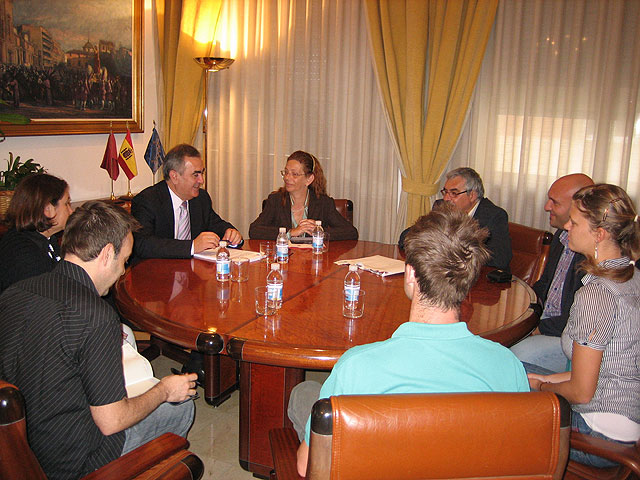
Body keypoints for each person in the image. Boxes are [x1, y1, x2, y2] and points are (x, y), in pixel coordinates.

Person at [290, 205, 528, 476]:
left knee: (304, 393)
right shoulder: (508, 365)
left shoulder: (357, 366)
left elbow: (306, 466)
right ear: (470, 278)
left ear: (411, 275)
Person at [0, 201, 197, 480]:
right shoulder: (96, 315)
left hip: (21, 452)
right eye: (124, 260)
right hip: (75, 463)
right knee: (180, 405)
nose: (122, 271)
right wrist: (164, 389)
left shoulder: (15, 293)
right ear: (106, 254)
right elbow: (111, 421)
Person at [527, 184, 640, 468]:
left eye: (574, 222)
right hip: (625, 419)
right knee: (506, 369)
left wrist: (540, 387)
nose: (566, 226)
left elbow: (581, 392)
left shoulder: (597, 294)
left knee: (493, 402)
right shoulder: (632, 276)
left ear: (599, 235)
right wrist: (535, 380)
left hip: (597, 433)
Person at [511, 174, 594, 372]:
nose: (547, 207)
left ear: (580, 206)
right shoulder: (561, 236)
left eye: (554, 202)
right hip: (544, 322)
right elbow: (545, 284)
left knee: (513, 355)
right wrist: (520, 305)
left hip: (566, 336)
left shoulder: (591, 256)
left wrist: (536, 329)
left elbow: (577, 320)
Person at [131, 143, 243, 262]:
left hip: (192, 272)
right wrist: (192, 246)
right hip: (156, 273)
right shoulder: (147, 200)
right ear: (174, 176)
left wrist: (231, 233)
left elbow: (216, 225)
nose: (201, 180)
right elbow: (143, 244)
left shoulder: (201, 199)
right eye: (196, 175)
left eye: (202, 173)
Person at [398, 167, 512, 270]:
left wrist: (450, 250)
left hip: (482, 281)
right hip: (446, 275)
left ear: (472, 195)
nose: (447, 198)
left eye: (454, 193)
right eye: (445, 192)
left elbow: (500, 260)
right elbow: (405, 237)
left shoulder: (494, 215)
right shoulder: (442, 207)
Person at [249, 150, 358, 240]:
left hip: (314, 261)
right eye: (286, 172)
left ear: (309, 179)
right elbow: (254, 230)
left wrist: (319, 232)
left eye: (294, 174)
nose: (287, 177)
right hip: (284, 259)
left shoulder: (323, 202)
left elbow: (351, 232)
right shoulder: (275, 200)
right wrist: (290, 233)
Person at [0, 173, 72, 294]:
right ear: (48, 209)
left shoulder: (46, 239)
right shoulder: (24, 254)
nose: (71, 210)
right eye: (66, 204)